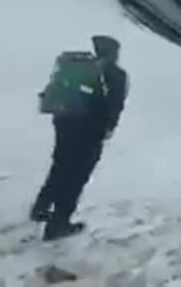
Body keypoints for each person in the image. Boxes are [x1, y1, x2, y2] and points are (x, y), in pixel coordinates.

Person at [30, 35, 128, 241]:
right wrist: (108, 128)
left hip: (64, 123)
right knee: (76, 178)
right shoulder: (116, 75)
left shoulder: (79, 68)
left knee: (60, 166)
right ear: (113, 53)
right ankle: (58, 225)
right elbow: (115, 106)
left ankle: (41, 207)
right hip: (89, 131)